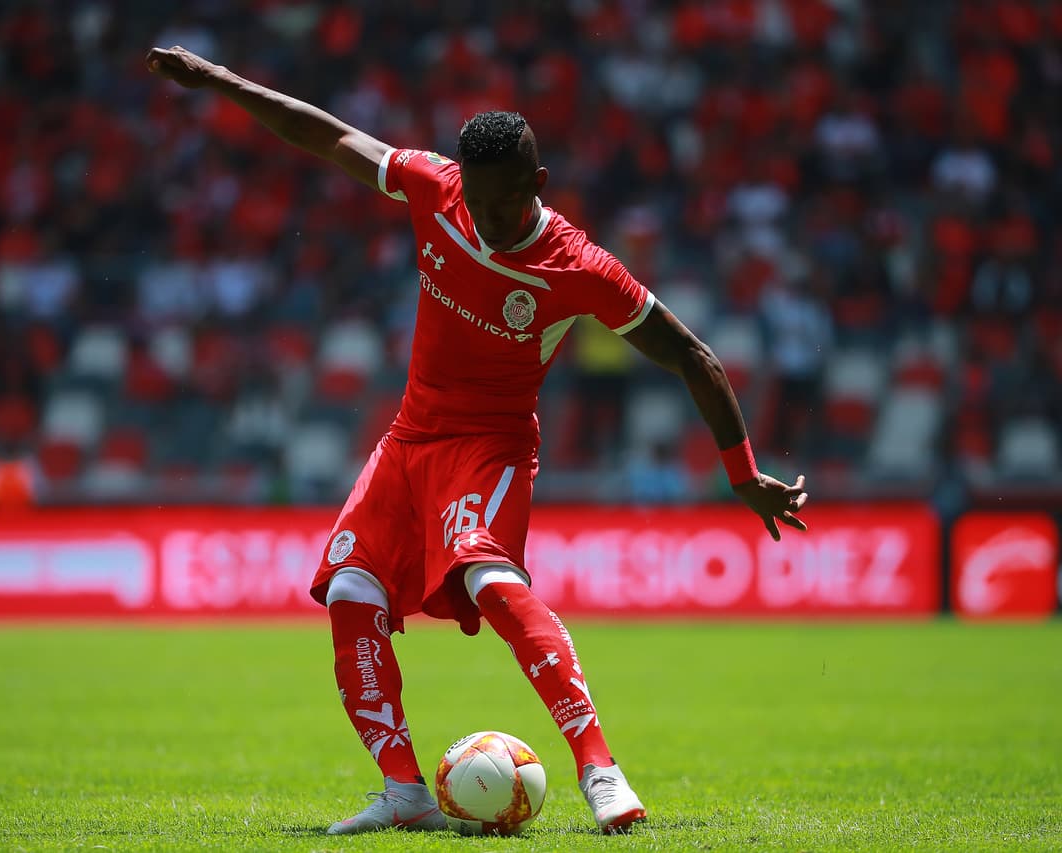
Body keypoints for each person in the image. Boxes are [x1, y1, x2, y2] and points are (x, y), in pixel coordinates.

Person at [147, 45, 810, 835]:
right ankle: (404, 790)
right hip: (408, 439)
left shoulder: (580, 267)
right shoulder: (437, 187)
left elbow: (692, 355)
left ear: (537, 184)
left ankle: (599, 766)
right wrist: (220, 81)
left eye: (505, 204)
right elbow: (326, 137)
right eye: (480, 203)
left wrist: (741, 471)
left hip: (490, 446)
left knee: (494, 583)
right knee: (351, 593)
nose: (489, 221)